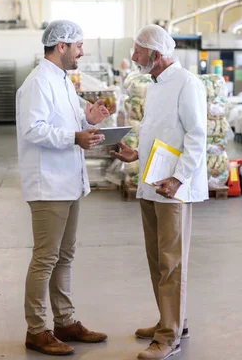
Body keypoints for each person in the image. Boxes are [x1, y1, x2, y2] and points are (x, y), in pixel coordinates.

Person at [111, 25, 208, 360]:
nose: (134, 56)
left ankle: (168, 337)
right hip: (153, 182)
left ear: (155, 53)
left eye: (138, 50)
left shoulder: (186, 83)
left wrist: (180, 179)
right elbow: (164, 133)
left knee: (171, 262)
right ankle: (172, 321)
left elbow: (197, 136)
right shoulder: (154, 86)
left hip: (173, 189)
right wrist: (136, 154)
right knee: (157, 259)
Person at [16, 20, 110, 357]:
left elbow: (68, 122)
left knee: (64, 256)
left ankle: (65, 321)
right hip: (48, 184)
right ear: (62, 46)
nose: (82, 52)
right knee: (45, 258)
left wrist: (89, 120)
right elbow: (34, 130)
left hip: (69, 181)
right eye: (79, 46)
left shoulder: (62, 81)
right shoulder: (38, 82)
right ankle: (36, 329)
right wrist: (74, 136)